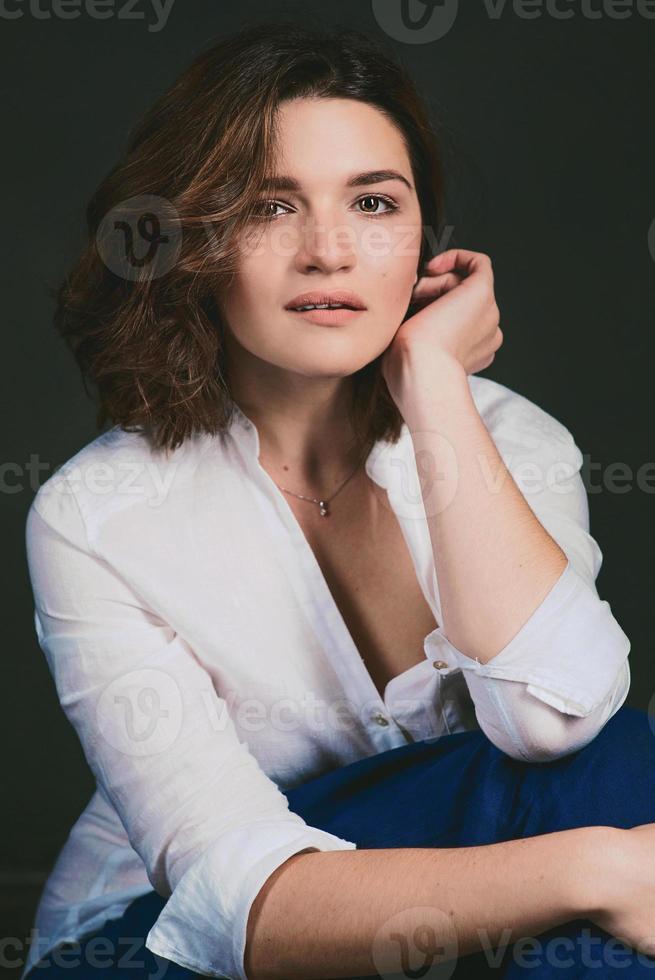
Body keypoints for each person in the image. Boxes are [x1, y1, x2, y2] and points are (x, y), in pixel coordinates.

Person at [21, 20, 655, 980]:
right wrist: (598, 867)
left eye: (372, 202)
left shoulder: (509, 438)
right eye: (270, 206)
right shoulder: (97, 514)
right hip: (159, 946)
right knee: (611, 807)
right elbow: (240, 908)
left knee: (595, 778)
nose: (328, 251)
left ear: (421, 237)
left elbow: (552, 719)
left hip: (452, 914)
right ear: (192, 237)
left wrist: (433, 382)